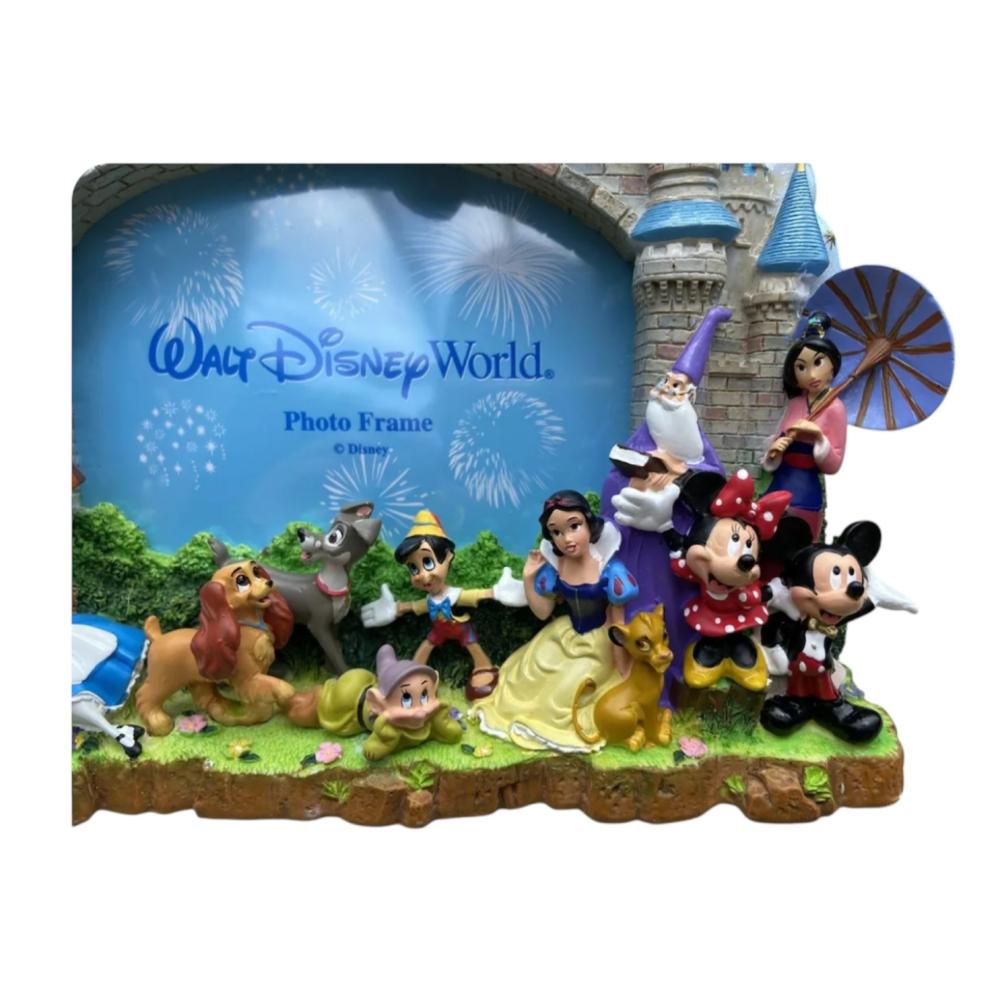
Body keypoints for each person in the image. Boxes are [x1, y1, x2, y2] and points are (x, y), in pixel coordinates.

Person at [600, 306, 728, 681]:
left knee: (673, 611)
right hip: (636, 552)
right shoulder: (639, 444)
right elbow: (615, 479)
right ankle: (633, 679)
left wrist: (678, 478)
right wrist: (638, 482)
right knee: (638, 611)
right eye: (666, 383)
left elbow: (714, 492)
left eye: (678, 388)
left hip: (677, 556)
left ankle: (675, 677)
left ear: (690, 398)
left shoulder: (697, 452)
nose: (669, 391)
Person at [474, 490, 638, 753]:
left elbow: (618, 624)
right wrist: (529, 577)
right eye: (557, 532)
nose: (567, 539)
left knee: (564, 693)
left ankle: (546, 725)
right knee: (526, 673)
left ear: (589, 524)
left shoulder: (609, 570)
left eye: (574, 526)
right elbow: (542, 612)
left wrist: (623, 668)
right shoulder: (556, 568)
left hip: (598, 641)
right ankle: (516, 713)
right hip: (564, 632)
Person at [360, 510, 525, 700]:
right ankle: (415, 671)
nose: (422, 575)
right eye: (413, 567)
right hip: (439, 629)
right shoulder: (429, 601)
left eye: (428, 562)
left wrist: (496, 592)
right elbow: (415, 606)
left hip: (460, 626)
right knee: (425, 646)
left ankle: (483, 668)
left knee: (472, 644)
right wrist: (395, 608)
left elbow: (473, 595)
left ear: (447, 557)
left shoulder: (453, 594)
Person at [760, 311, 846, 541]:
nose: (811, 374)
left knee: (799, 534)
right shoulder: (796, 403)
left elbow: (834, 463)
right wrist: (776, 448)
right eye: (801, 367)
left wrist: (818, 436)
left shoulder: (835, 408)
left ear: (832, 365)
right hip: (781, 479)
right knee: (767, 529)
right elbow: (780, 437)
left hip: (807, 485)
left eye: (818, 363)